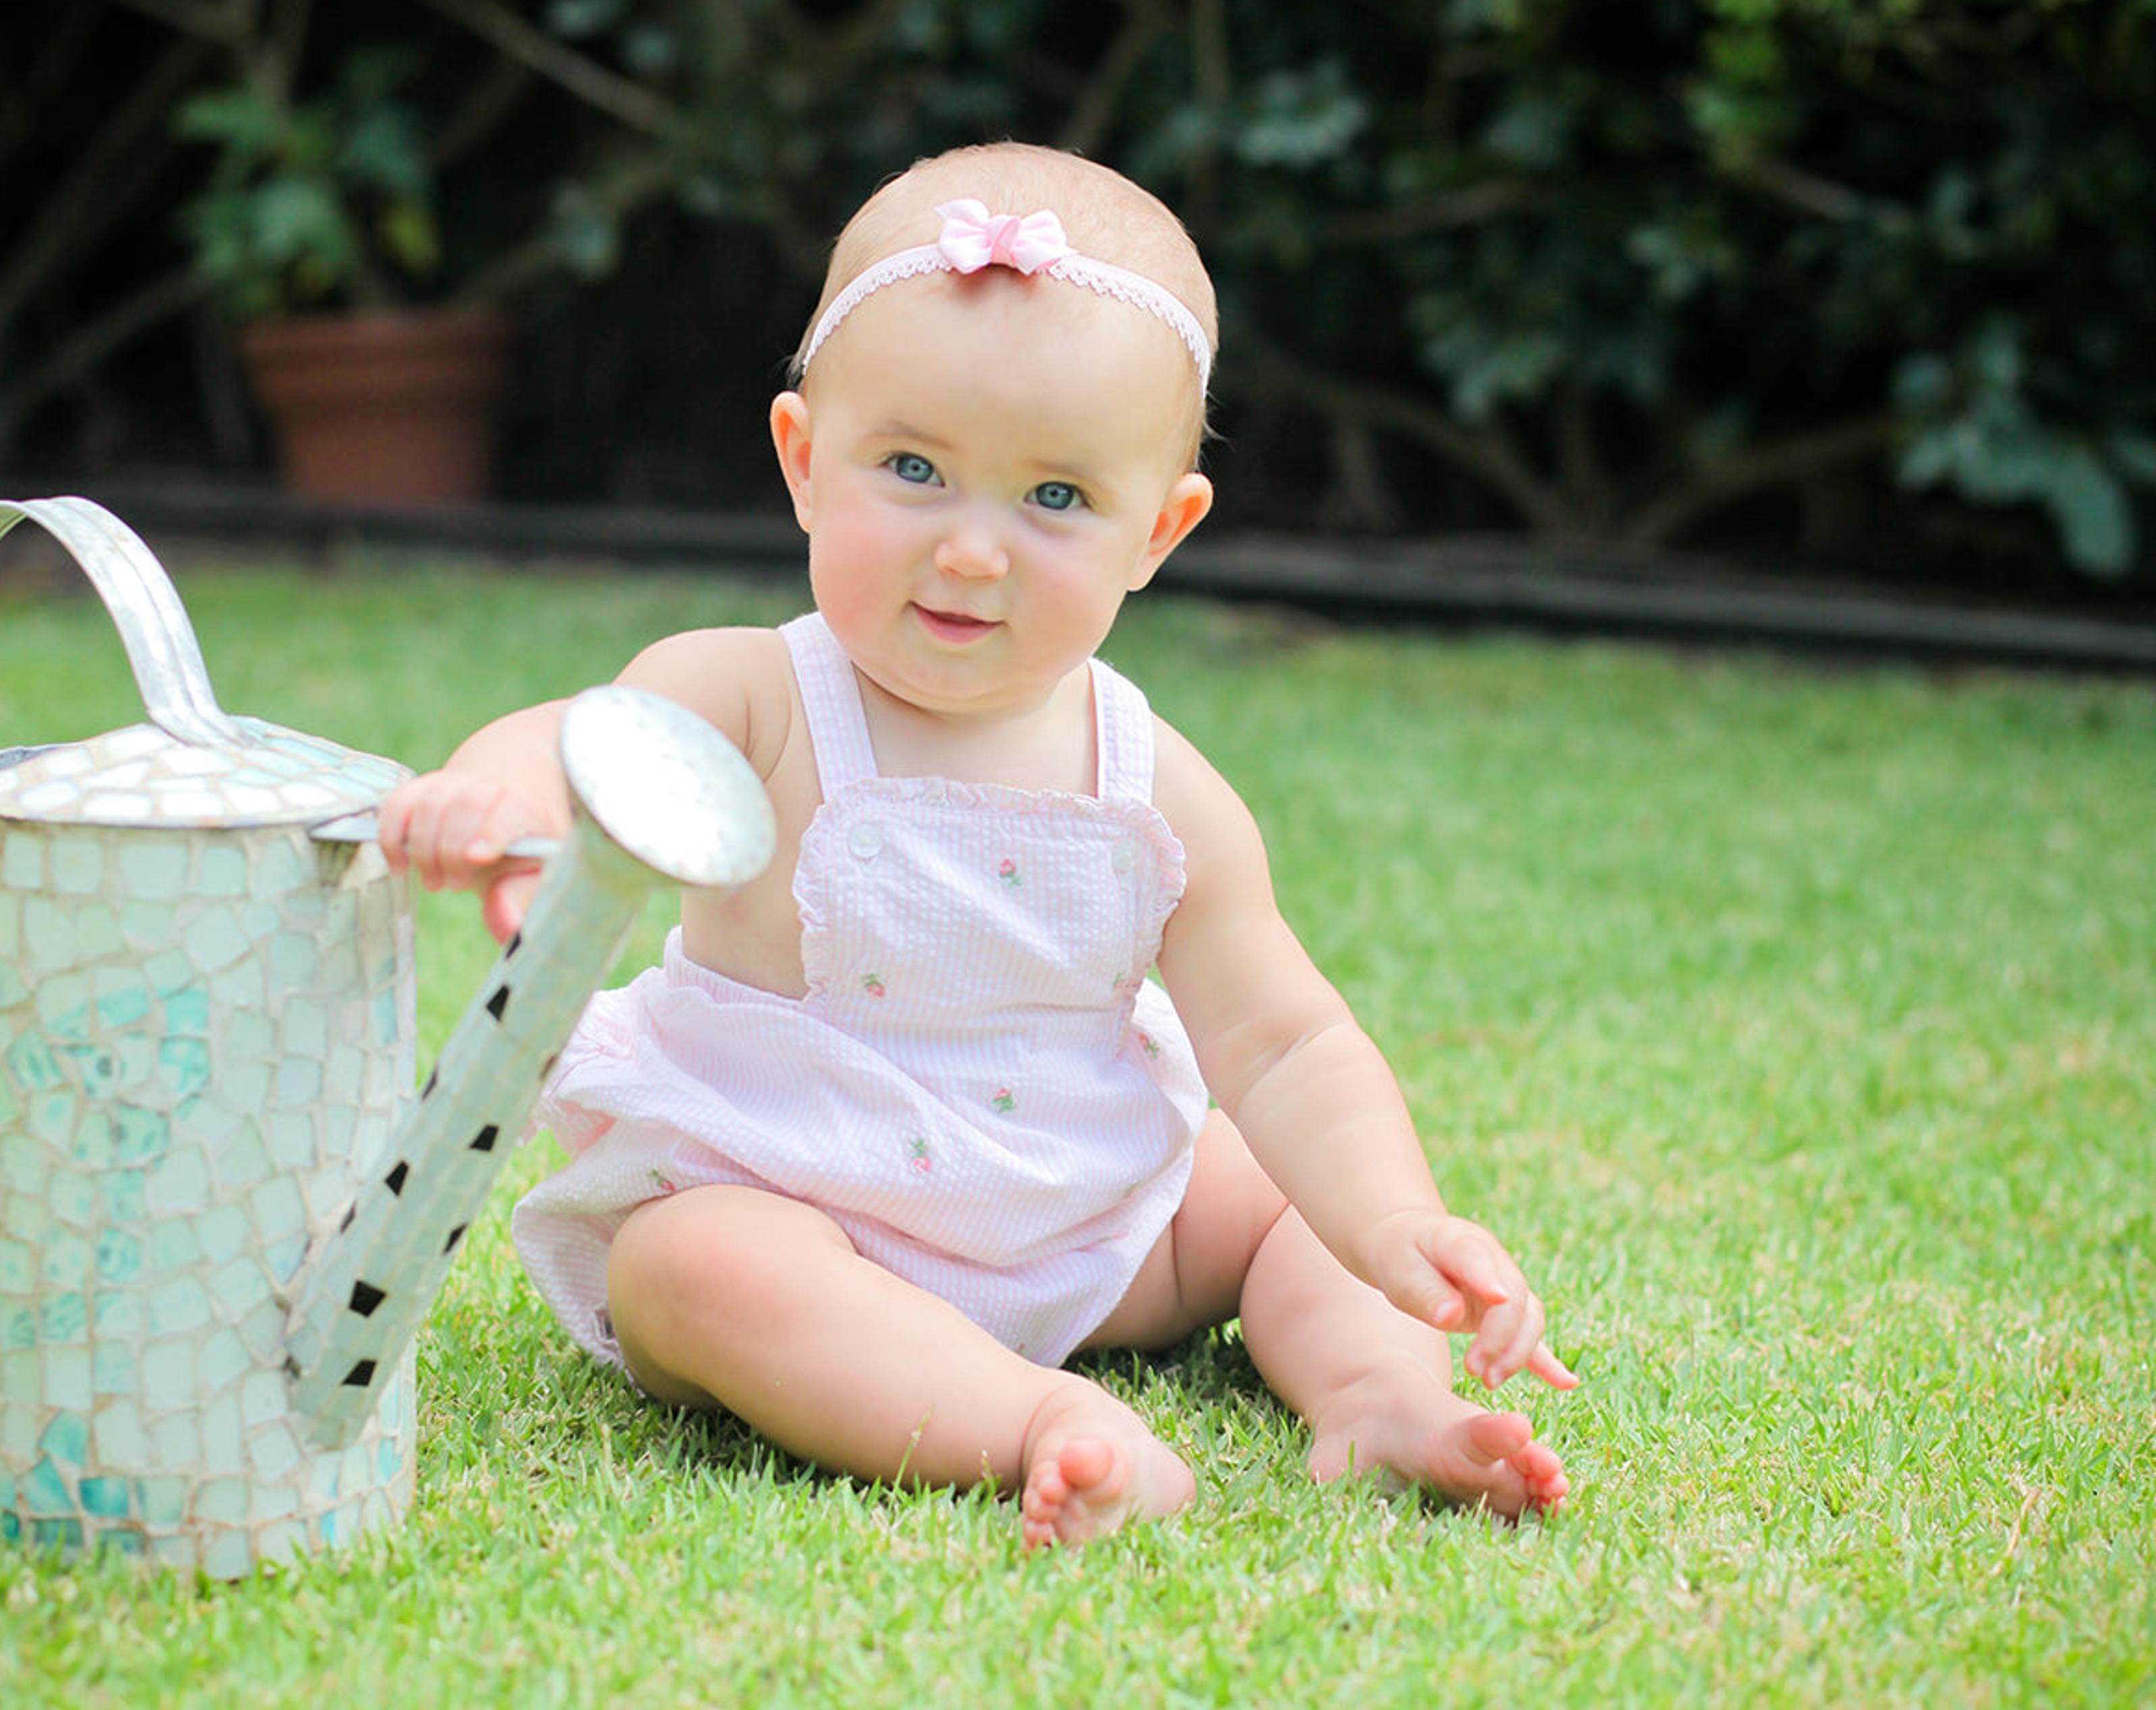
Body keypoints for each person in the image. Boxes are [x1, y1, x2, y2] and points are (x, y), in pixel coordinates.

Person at [376, 142, 1578, 1549]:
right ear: (804, 460)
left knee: (1272, 1184)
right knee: (683, 1267)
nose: (971, 551)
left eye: (1056, 499)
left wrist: (1396, 1220)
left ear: (1160, 531)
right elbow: (587, 739)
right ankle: (1032, 1424)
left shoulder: (1159, 786)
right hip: (800, 1197)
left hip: (1095, 1218)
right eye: (914, 470)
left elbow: (1286, 1039)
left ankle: (1380, 1397)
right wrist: (493, 791)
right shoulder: (760, 693)